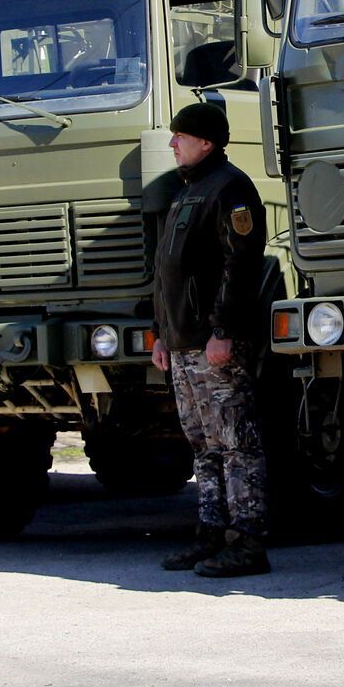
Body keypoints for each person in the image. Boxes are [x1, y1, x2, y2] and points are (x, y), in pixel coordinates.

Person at [151, 102, 270, 578]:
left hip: (212, 343)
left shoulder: (230, 187)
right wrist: (162, 334)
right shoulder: (186, 191)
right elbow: (168, 274)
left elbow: (239, 265)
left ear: (207, 142)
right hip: (182, 344)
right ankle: (211, 534)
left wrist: (223, 331)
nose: (173, 143)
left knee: (237, 441)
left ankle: (248, 541)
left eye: (181, 136)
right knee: (203, 444)